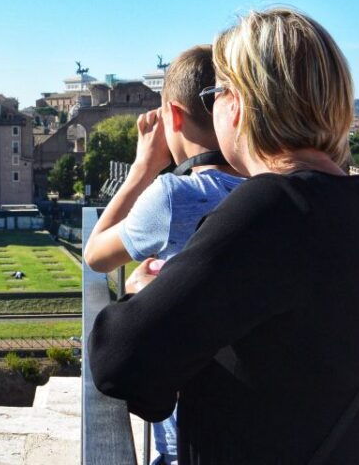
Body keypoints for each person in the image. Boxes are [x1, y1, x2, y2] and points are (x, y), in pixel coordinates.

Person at [89, 8, 359, 465]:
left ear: (241, 103)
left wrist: (151, 292)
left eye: (218, 92)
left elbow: (121, 360)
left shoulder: (270, 209)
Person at [84, 45, 244, 464]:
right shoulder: (264, 190)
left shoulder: (176, 196)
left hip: (184, 441)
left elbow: (96, 255)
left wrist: (142, 168)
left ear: (173, 115)